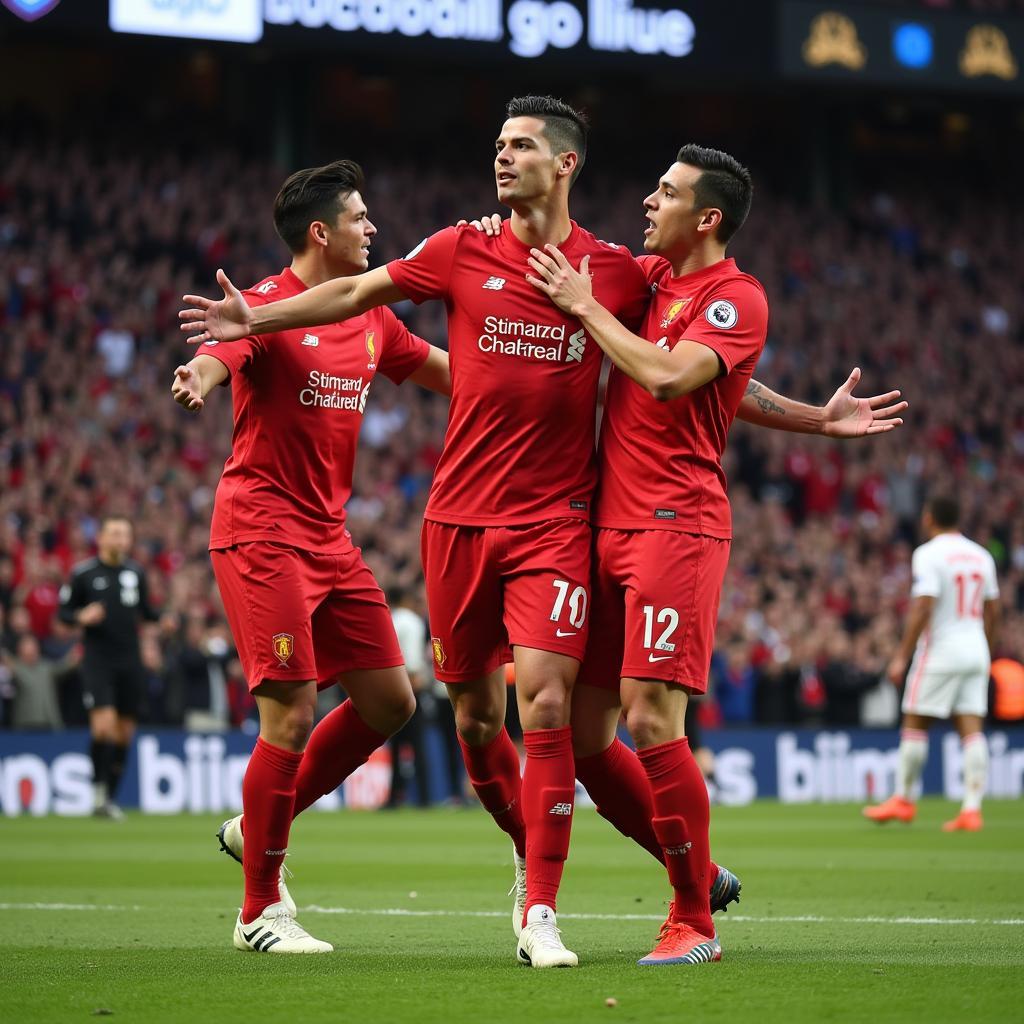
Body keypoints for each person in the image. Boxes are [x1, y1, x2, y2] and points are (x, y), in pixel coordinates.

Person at [179, 100, 903, 967]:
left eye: (519, 145)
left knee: (556, 707)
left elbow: (696, 374)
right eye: (497, 144)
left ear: (564, 165)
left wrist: (810, 423)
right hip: (456, 522)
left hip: (564, 524)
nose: (501, 155)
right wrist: (253, 320)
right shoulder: (460, 247)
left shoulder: (619, 273)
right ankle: (545, 850)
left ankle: (544, 907)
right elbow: (356, 292)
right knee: (479, 718)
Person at [525, 144, 906, 965]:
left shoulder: (736, 297)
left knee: (651, 717)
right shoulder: (656, 283)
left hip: (676, 527)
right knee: (586, 734)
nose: (646, 203)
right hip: (604, 530)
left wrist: (590, 311)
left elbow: (671, 378)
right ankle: (693, 868)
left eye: (664, 193)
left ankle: (693, 920)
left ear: (707, 218)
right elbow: (733, 389)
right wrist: (815, 418)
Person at [171, 160, 451, 954]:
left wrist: (537, 388)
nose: (373, 230)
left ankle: (259, 822)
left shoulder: (370, 317)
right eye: (361, 218)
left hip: (330, 538)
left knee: (391, 701)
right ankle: (259, 910)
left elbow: (448, 375)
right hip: (262, 532)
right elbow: (222, 354)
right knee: (290, 714)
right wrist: (197, 372)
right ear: (321, 233)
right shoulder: (262, 309)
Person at [863, 495, 999, 831]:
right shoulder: (981, 555)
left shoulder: (928, 554)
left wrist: (901, 655)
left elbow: (924, 605)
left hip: (942, 649)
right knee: (972, 729)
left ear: (929, 518)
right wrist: (985, 647)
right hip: (976, 648)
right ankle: (971, 808)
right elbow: (993, 610)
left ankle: (904, 799)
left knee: (915, 723)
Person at [58, 515, 171, 818]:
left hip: (130, 661)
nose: (121, 540)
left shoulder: (135, 573)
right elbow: (64, 613)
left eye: (126, 534)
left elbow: (146, 612)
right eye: (116, 533)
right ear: (102, 538)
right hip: (98, 660)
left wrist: (163, 621)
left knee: (124, 734)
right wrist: (82, 617)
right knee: (103, 727)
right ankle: (97, 792)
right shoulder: (83, 574)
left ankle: (108, 797)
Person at [386, 587, 431, 808]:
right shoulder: (412, 621)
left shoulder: (391, 619)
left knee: (396, 748)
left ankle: (394, 796)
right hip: (411, 690)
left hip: (391, 689)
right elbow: (413, 663)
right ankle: (424, 797)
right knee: (417, 747)